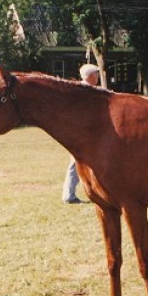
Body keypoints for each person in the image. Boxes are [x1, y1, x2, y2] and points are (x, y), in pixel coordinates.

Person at [62, 63, 99, 204]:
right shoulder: (85, 91)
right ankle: (68, 195)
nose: (97, 77)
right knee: (75, 163)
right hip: (84, 133)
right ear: (90, 76)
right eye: (95, 74)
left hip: (86, 133)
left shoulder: (83, 89)